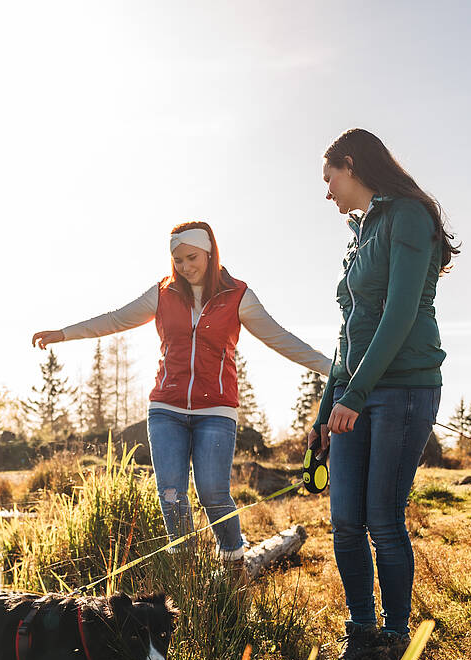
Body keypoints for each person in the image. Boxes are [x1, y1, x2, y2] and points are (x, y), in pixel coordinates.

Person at [33, 221, 331, 568]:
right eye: (177, 260)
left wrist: (331, 367)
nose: (185, 267)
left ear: (209, 251)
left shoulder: (237, 295)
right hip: (166, 408)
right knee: (171, 495)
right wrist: (63, 333)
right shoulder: (162, 293)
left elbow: (280, 338)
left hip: (217, 411)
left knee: (213, 493)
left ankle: (235, 569)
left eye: (192, 257)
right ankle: (186, 578)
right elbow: (115, 319)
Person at [307, 130, 459, 660]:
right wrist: (328, 410)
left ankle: (396, 639)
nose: (328, 193)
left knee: (382, 520)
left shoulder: (409, 217)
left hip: (403, 388)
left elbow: (397, 315)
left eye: (330, 179)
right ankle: (362, 633)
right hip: (357, 393)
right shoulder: (359, 233)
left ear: (351, 165)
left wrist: (357, 395)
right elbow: (349, 334)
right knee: (345, 521)